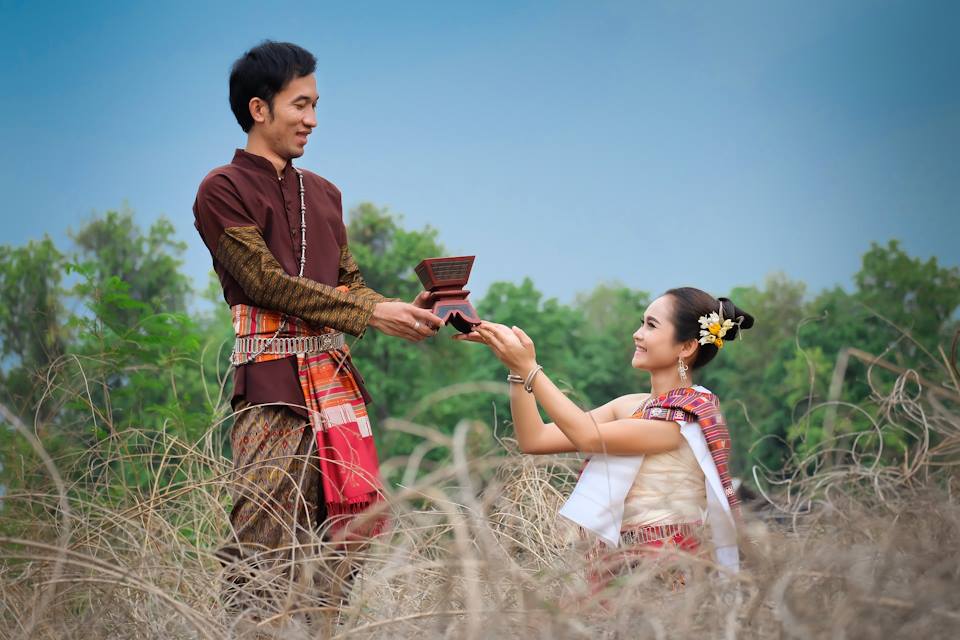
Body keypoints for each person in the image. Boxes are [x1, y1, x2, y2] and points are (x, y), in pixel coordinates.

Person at [192, 40, 443, 627]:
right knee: (261, 544)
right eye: (300, 105)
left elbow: (351, 285)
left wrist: (398, 311)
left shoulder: (325, 194)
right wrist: (367, 313)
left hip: (335, 389)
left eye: (315, 105)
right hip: (272, 389)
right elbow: (265, 283)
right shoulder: (221, 189)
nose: (312, 119)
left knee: (341, 542)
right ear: (259, 109)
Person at [463, 287, 753, 595]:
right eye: (642, 323)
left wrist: (530, 368)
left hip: (667, 567)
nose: (637, 334)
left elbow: (587, 437)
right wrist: (517, 371)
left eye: (651, 326)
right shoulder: (630, 405)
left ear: (686, 347)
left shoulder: (684, 417)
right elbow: (535, 439)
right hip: (616, 560)